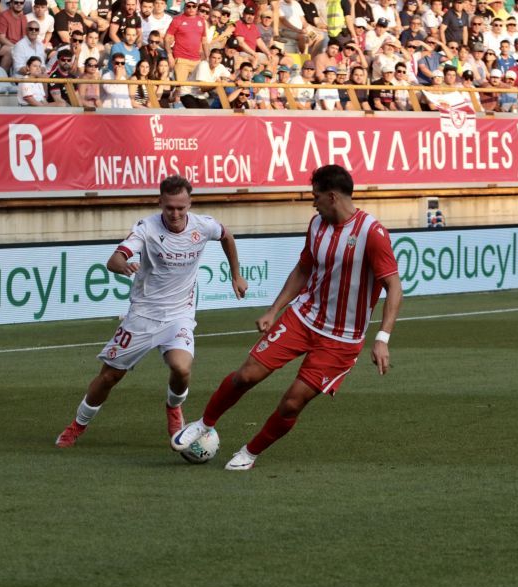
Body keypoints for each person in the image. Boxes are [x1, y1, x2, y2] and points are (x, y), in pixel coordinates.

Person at [171, 164, 401, 470]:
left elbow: (394, 286)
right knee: (246, 375)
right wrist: (274, 310)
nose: (312, 201)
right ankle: (204, 422)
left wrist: (382, 338)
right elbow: (304, 269)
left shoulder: (372, 234)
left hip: (340, 340)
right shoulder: (317, 224)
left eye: (316, 195)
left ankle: (250, 452)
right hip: (302, 318)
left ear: (332, 196)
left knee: (293, 402)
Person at [56, 175, 248, 448]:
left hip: (180, 313)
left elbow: (226, 235)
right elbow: (115, 259)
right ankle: (76, 426)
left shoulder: (202, 226)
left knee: (182, 368)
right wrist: (122, 265)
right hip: (144, 316)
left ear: (189, 203)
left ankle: (173, 408)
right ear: (160, 202)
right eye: (169, 207)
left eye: (181, 207)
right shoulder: (146, 228)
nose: (175, 213)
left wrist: (236, 275)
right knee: (110, 376)